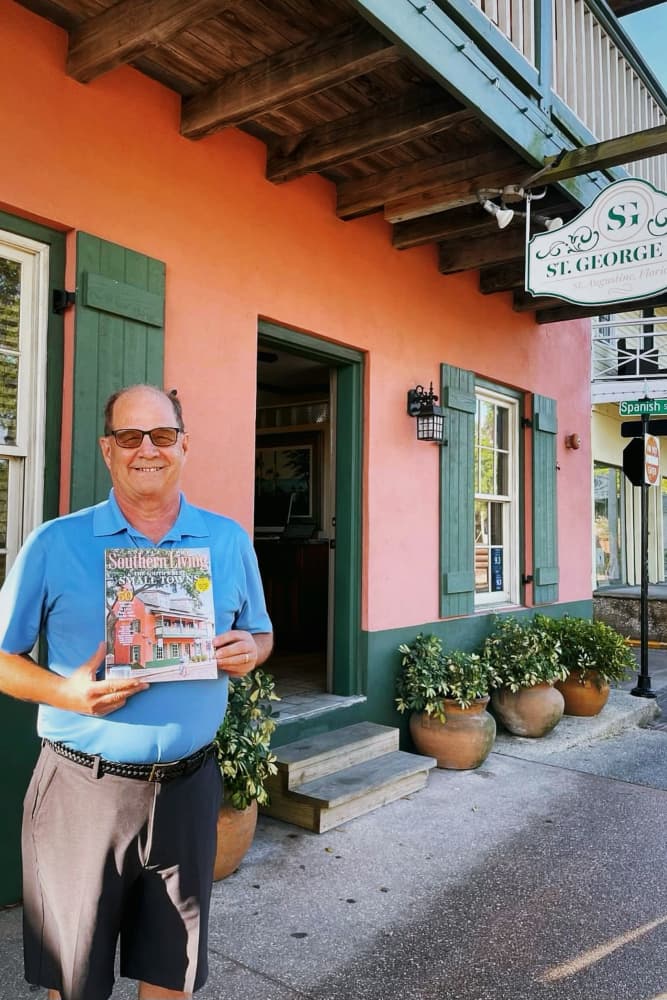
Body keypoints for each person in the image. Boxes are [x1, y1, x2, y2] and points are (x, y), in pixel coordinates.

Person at [0, 385, 273, 1000]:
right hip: (81, 789)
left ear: (184, 444)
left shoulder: (227, 541)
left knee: (171, 975)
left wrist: (251, 650)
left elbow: (261, 631)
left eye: (162, 435)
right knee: (76, 982)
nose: (147, 449)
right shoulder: (54, 542)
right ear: (108, 449)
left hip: (189, 787)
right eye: (130, 437)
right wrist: (65, 694)